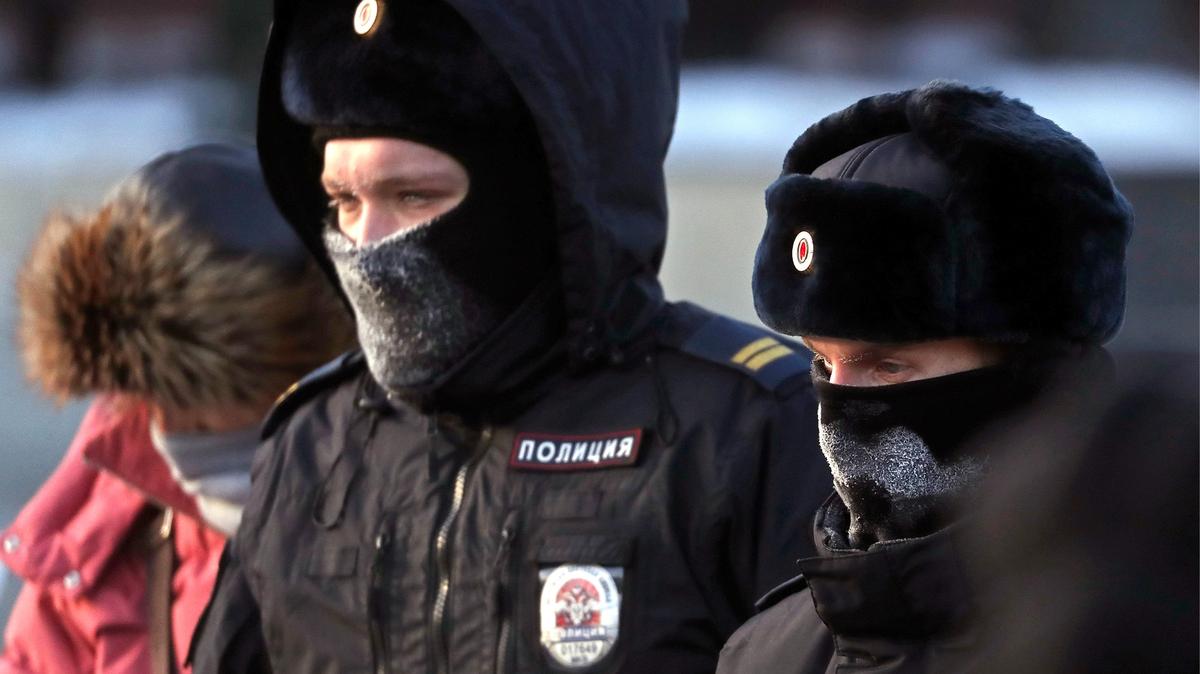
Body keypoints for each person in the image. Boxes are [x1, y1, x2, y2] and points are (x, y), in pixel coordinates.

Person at [191, 0, 832, 672]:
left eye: (413, 197)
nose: (366, 243)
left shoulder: (746, 429)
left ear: (537, 195)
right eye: (344, 201)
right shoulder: (311, 446)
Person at [715, 80, 1134, 673]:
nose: (837, 410)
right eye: (823, 362)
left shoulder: (1148, 633)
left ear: (1034, 372)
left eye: (888, 364)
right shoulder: (765, 653)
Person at [0, 144, 354, 674]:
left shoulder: (403, 513)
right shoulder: (85, 553)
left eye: (203, 396)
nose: (172, 427)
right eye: (149, 391)